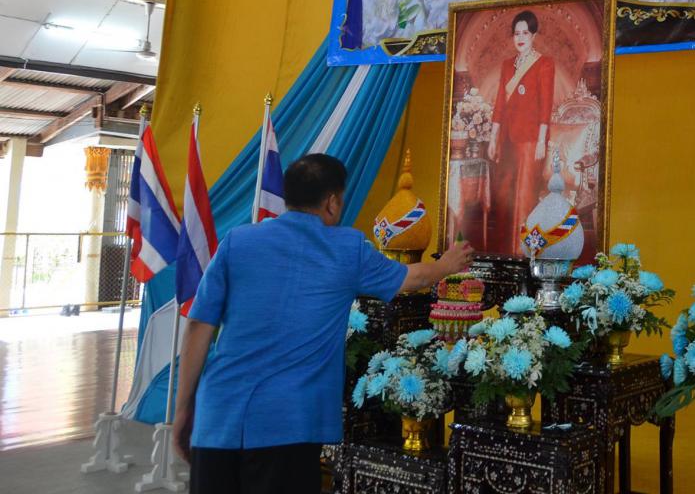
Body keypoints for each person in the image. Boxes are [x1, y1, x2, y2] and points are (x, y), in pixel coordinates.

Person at [171, 153, 474, 494]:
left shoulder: (236, 242)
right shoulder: (346, 249)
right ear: (332, 202)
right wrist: (448, 264)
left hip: (218, 416)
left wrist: (183, 410)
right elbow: (411, 278)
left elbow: (198, 326)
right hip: (288, 425)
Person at [487, 10, 555, 253]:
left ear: (534, 35)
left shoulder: (544, 64)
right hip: (507, 139)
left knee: (525, 196)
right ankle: (505, 251)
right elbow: (499, 103)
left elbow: (546, 104)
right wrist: (493, 138)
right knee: (504, 195)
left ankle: (524, 252)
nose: (521, 38)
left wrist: (541, 141)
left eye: (525, 33)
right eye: (517, 33)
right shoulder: (507, 65)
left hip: (530, 140)